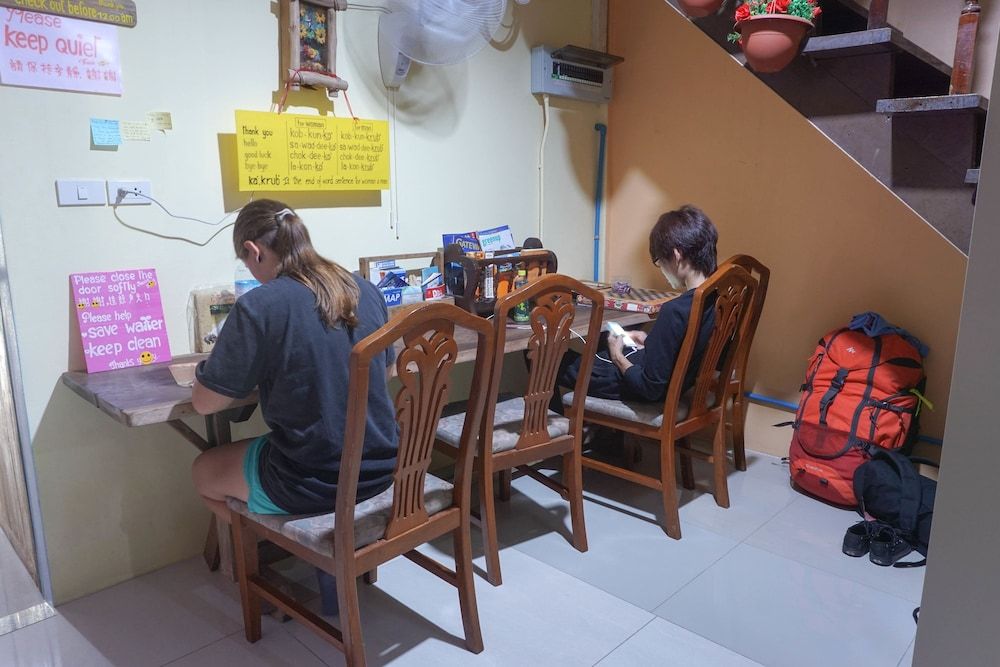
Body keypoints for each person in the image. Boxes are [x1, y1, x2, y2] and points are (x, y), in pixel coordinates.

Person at [190, 199, 398, 523]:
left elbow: (204, 403)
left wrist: (208, 368)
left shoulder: (259, 306)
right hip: (382, 467)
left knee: (203, 471)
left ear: (253, 250)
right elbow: (385, 374)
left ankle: (291, 545)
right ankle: (321, 547)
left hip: (314, 482)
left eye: (247, 263)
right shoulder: (366, 289)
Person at [558, 204, 718, 404]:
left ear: (677, 256)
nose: (661, 269)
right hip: (678, 382)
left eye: (659, 261)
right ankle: (599, 434)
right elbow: (683, 347)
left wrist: (617, 357)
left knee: (547, 361)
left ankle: (563, 432)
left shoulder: (675, 310)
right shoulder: (718, 298)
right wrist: (651, 342)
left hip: (643, 388)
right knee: (599, 352)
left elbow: (650, 388)